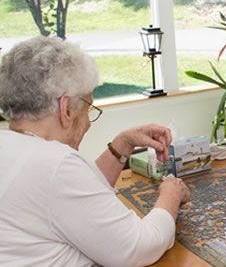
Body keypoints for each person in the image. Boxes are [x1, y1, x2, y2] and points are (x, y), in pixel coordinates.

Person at [0, 36, 190, 266]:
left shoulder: (13, 146)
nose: (89, 123)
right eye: (88, 107)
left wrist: (122, 145)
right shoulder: (54, 165)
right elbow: (139, 247)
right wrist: (171, 194)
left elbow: (80, 199)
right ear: (66, 109)